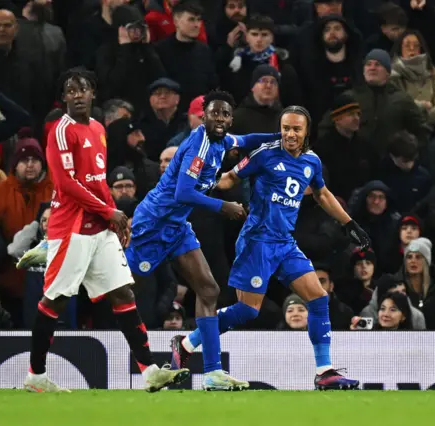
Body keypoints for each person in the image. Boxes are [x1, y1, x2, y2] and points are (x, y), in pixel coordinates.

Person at [168, 105, 370, 390]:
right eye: (285, 127)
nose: (289, 133)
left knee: (318, 298)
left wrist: (349, 224)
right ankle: (187, 343)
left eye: (296, 129)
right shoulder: (264, 154)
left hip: (285, 244)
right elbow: (230, 178)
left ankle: (324, 371)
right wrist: (199, 184)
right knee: (248, 310)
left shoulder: (311, 161)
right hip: (257, 242)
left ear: (306, 132)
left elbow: (322, 193)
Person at [23, 68, 189, 393]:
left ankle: (150, 370)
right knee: (55, 299)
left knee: (123, 293)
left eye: (84, 89)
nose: (78, 95)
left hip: (99, 228)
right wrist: (109, 211)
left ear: (93, 94)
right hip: (71, 228)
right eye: (71, 90)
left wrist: (115, 220)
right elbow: (66, 185)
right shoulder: (61, 131)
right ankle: (36, 374)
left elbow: (97, 182)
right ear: (64, 98)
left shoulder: (98, 128)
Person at [125, 90, 281, 391]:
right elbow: (183, 192)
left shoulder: (223, 140)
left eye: (225, 114)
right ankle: (63, 252)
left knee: (209, 289)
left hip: (177, 226)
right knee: (119, 287)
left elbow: (246, 140)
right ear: (204, 116)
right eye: (214, 113)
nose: (220, 118)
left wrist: (282, 135)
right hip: (153, 224)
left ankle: (212, 373)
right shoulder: (200, 145)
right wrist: (225, 206)